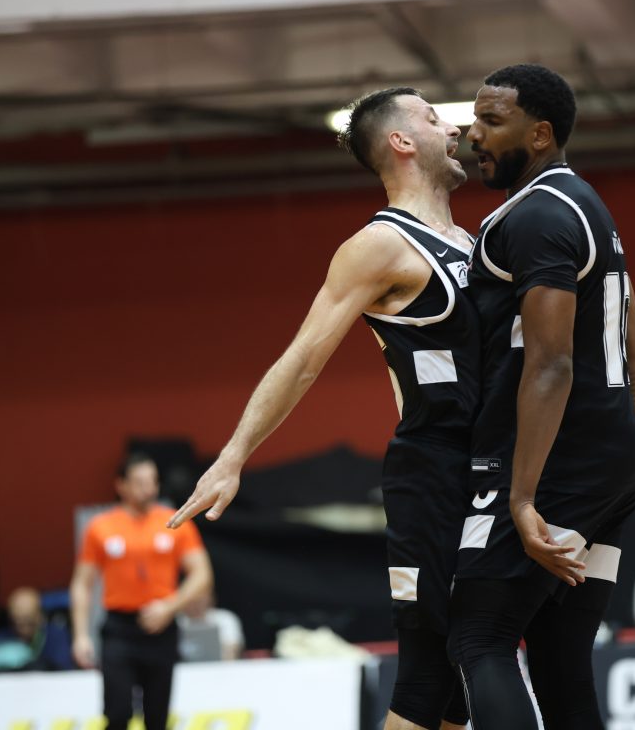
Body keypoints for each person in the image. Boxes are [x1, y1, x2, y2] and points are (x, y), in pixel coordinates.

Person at [168, 87, 480, 730]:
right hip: (433, 476)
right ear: (401, 142)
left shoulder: (473, 242)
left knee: (464, 679)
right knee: (427, 678)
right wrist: (233, 457)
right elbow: (303, 357)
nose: (453, 127)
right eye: (432, 117)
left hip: (490, 469)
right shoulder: (380, 246)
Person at [446, 64, 635, 730]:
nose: (473, 134)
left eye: (491, 121)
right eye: (474, 120)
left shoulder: (536, 216)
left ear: (539, 134)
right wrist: (634, 451)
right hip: (606, 465)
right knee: (561, 661)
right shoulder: (588, 205)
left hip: (557, 465)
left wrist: (522, 497)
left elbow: (552, 364)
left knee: (479, 637)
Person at [70, 454, 213, 730]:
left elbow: (202, 574)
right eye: (139, 482)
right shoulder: (100, 526)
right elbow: (81, 583)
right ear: (121, 485)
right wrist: (80, 635)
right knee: (117, 713)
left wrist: (170, 606)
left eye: (152, 481)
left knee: (157, 718)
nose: (148, 489)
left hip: (161, 627)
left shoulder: (176, 521)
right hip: (119, 628)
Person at [0, 586, 74, 672]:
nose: (22, 628)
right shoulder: (1, 639)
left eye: (28, 621)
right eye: (17, 622)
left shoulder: (56, 637)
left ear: (39, 616)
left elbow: (64, 668)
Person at [178, 591, 245, 661]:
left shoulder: (224, 618)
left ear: (210, 598)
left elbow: (232, 650)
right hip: (182, 666)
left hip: (218, 665)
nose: (195, 605)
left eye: (200, 600)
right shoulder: (177, 621)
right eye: (192, 600)